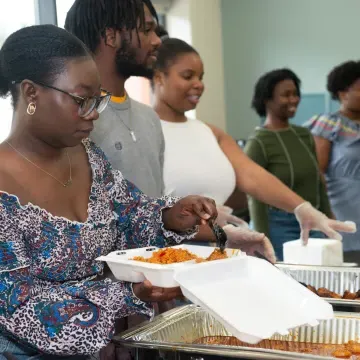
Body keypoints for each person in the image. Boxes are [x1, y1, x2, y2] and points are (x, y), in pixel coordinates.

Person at [0, 24, 218, 359]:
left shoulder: (88, 156)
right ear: (31, 93)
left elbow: (127, 215)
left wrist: (172, 216)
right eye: (81, 100)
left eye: (97, 99)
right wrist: (126, 294)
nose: (93, 114)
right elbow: (20, 305)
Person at [151, 38, 355, 259]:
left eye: (201, 77)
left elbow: (252, 176)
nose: (199, 84)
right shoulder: (144, 131)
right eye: (188, 76)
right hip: (169, 262)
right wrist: (209, 230)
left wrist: (303, 208)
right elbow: (140, 212)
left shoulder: (211, 132)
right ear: (159, 77)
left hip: (217, 255)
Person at [65, 0, 163, 198]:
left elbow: (158, 206)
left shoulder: (149, 117)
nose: (157, 41)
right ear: (111, 37)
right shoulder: (77, 121)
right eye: (146, 30)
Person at [244, 69, 332, 260]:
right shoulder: (259, 142)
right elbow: (255, 196)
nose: (293, 100)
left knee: (318, 284)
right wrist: (261, 237)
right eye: (286, 95)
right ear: (267, 99)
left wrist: (329, 219)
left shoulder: (304, 135)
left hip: (313, 222)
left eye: (295, 94)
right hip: (279, 227)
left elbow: (317, 181)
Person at [305, 61, 360, 263]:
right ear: (343, 93)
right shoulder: (329, 123)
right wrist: (325, 214)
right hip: (343, 211)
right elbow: (316, 172)